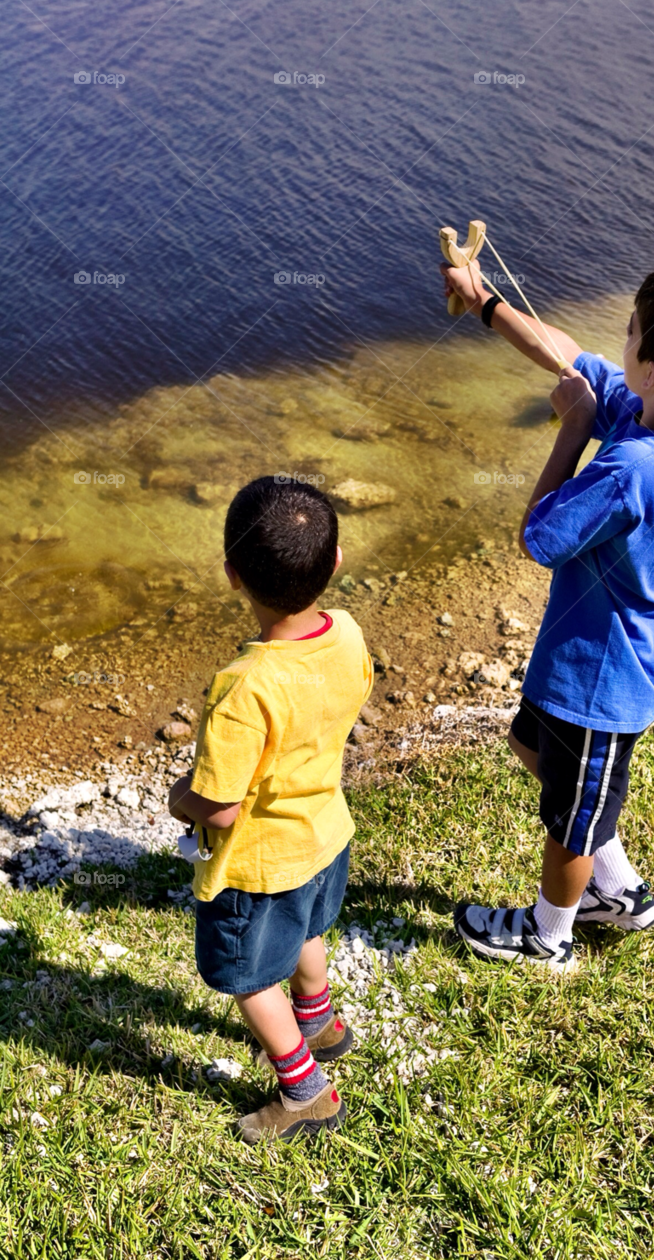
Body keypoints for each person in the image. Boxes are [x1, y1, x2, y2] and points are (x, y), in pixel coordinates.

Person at [442, 259, 654, 971]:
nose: (615, 341)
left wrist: (571, 432)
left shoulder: (631, 466)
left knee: (569, 825)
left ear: (649, 370)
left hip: (600, 679)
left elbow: (539, 538)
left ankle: (548, 934)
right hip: (586, 660)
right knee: (533, 751)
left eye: (628, 333)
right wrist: (486, 304)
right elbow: (566, 354)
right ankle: (616, 892)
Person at [168, 476, 374, 1140]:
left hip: (260, 867)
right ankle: (319, 1020)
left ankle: (306, 1090)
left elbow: (221, 808)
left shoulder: (244, 687)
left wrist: (181, 799)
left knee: (250, 978)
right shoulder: (344, 632)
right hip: (324, 835)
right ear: (335, 564)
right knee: (305, 931)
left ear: (231, 575)